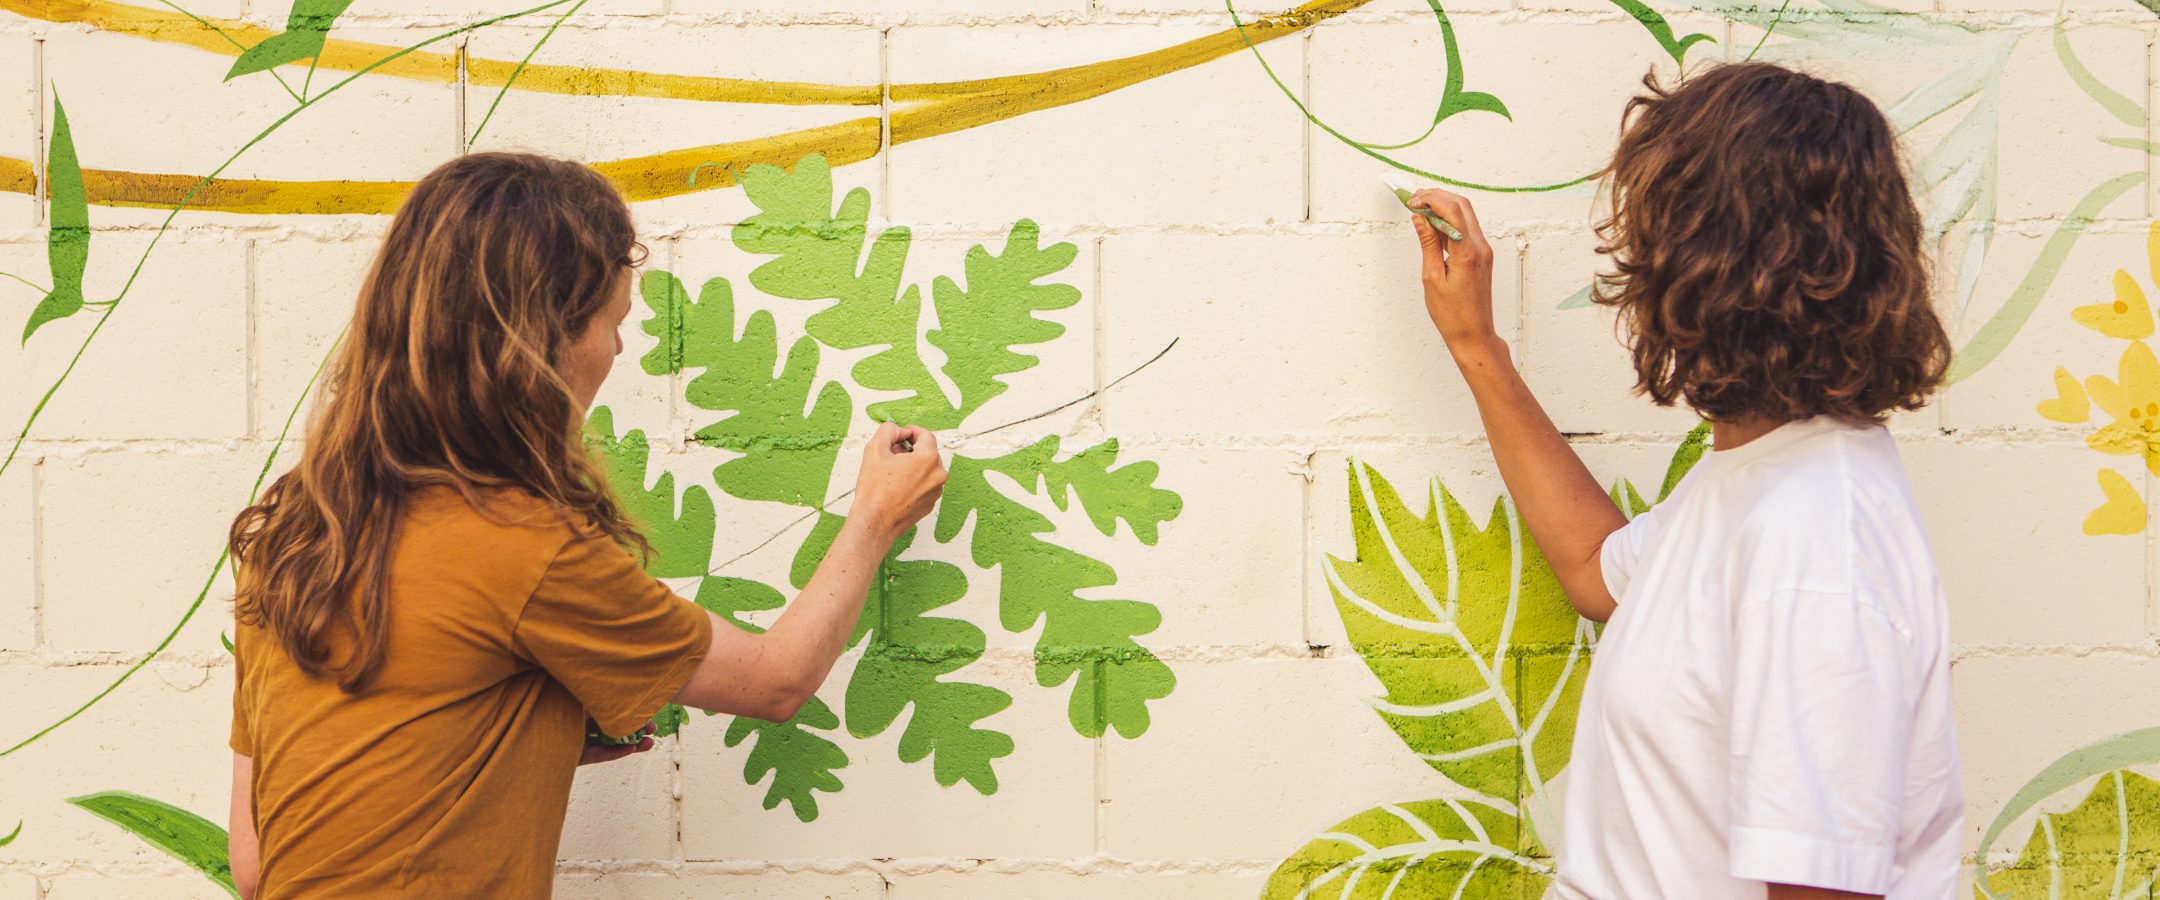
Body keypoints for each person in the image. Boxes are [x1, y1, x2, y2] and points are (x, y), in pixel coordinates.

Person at [223, 152, 948, 899]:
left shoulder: (294, 529)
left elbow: (255, 864)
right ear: (540, 342)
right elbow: (776, 680)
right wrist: (877, 515)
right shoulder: (519, 545)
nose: (619, 350)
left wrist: (518, 738)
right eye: (613, 323)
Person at [1402, 62, 1964, 899]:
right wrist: (1478, 349)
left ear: (1719, 262)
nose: (1634, 253)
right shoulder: (1763, 473)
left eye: (1655, 226)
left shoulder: (1816, 541)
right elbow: (1601, 572)